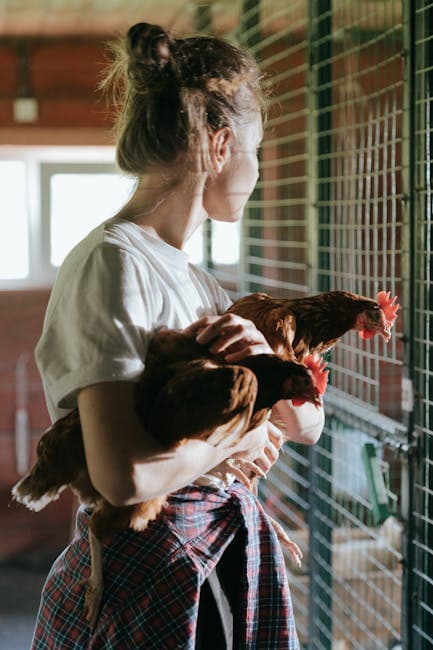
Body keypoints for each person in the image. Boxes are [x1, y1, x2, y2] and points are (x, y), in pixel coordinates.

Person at [31, 22, 324, 649]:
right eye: (257, 149)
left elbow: (303, 425)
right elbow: (125, 478)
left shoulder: (203, 284)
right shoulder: (112, 262)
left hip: (206, 563)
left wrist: (261, 363)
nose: (259, 170)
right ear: (220, 146)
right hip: (147, 576)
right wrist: (234, 441)